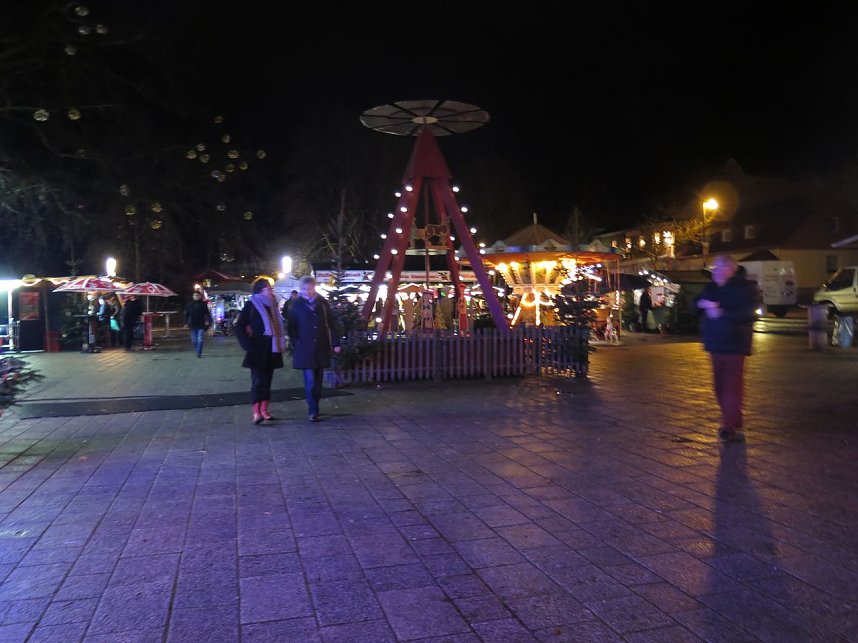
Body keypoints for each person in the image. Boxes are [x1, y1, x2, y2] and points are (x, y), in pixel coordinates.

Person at [695, 254, 758, 442]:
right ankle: (733, 421)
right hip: (714, 343)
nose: (714, 271)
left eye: (718, 267)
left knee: (731, 386)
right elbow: (694, 304)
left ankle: (728, 426)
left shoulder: (747, 288)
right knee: (719, 386)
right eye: (714, 268)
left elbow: (749, 313)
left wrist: (722, 312)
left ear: (730, 269)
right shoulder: (711, 288)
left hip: (734, 343)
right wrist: (701, 303)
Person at [287, 275, 340, 422]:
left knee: (318, 381)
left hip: (321, 346)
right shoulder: (296, 305)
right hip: (305, 348)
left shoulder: (322, 303)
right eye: (304, 289)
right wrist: (296, 342)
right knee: (310, 381)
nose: (307, 292)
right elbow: (291, 327)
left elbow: (331, 323)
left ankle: (315, 405)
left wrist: (335, 343)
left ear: (314, 287)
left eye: (309, 288)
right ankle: (313, 410)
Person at [235, 278, 287, 424]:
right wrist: (247, 345)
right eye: (268, 288)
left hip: (272, 348)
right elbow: (239, 327)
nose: (271, 290)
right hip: (256, 349)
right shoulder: (251, 305)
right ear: (260, 290)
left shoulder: (273, 305)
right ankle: (256, 412)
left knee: (268, 381)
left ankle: (265, 410)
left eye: (270, 288)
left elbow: (278, 326)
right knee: (257, 381)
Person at [184, 291, 213, 357]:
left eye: (197, 295)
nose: (196, 297)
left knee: (200, 339)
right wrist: (185, 322)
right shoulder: (190, 304)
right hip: (192, 324)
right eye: (195, 295)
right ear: (193, 296)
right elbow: (186, 314)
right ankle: (197, 349)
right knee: (194, 340)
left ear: (199, 296)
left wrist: (208, 320)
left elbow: (207, 313)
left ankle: (198, 353)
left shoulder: (203, 304)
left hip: (201, 324)